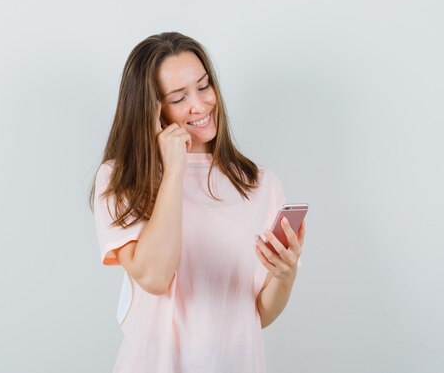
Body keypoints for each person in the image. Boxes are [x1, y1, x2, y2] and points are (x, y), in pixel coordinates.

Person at [89, 31, 305, 373]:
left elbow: (257, 314)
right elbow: (155, 277)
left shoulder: (260, 185)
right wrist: (174, 169)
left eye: (204, 86)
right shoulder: (121, 180)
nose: (201, 104)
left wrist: (285, 276)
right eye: (179, 97)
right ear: (152, 110)